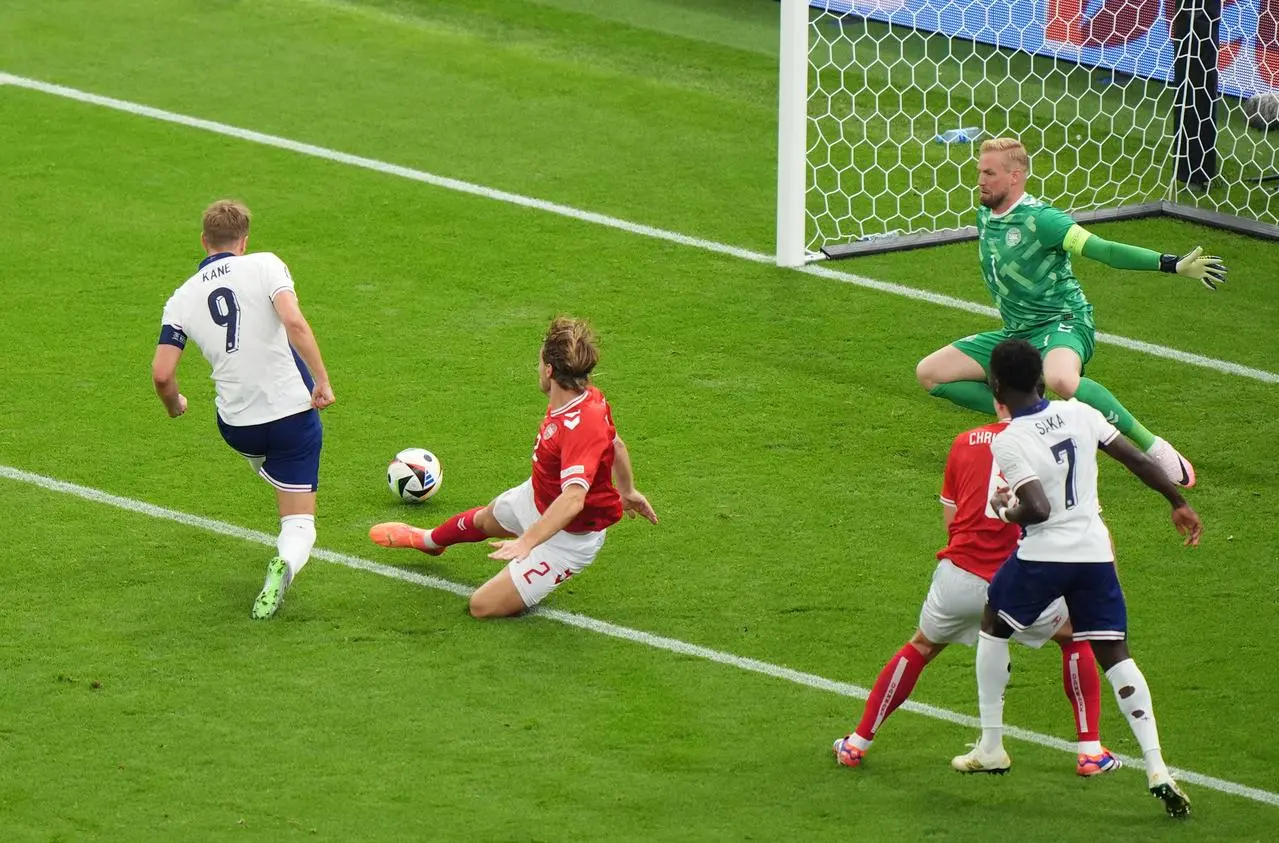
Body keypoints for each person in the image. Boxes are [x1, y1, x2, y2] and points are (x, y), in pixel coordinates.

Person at [952, 338, 1202, 818]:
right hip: (1093, 554)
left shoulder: (1009, 440)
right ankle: (1157, 766)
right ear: (1041, 380)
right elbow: (1137, 458)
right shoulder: (1081, 412)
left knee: (993, 623)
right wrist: (1179, 502)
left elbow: (1037, 508)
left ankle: (991, 745)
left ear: (996, 386)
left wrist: (1006, 509)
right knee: (1115, 654)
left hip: (1043, 556)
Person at [915, 137, 1227, 489]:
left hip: (1063, 321)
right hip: (1016, 332)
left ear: (1015, 176)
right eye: (979, 172)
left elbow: (1104, 250)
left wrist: (1168, 264)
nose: (980, 180)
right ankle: (1031, 420)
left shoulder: (1044, 220)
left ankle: (1153, 446)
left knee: (1061, 379)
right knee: (931, 374)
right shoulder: (986, 213)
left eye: (989, 173)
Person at [833, 414, 1119, 777]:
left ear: (996, 393)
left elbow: (952, 522)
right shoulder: (1051, 445)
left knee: (921, 646)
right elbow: (1082, 523)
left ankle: (857, 742)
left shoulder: (964, 442)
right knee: (1075, 635)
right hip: (1020, 581)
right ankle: (1090, 751)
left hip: (960, 578)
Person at [369, 317, 657, 618]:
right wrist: (627, 489)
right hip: (537, 497)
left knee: (482, 606)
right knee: (482, 521)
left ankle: (539, 576)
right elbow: (616, 444)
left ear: (549, 370)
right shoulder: (584, 397)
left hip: (568, 536)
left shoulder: (578, 424)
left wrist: (527, 542)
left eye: (539, 361)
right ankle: (428, 541)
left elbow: (573, 499)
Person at [151, 200, 335, 620]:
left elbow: (162, 374)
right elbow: (295, 323)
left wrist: (174, 403)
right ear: (244, 241)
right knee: (299, 522)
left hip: (237, 425)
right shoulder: (266, 264)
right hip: (292, 413)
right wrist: (322, 379)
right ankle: (285, 562)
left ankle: (277, 474)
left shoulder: (181, 298)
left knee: (267, 458)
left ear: (204, 241)